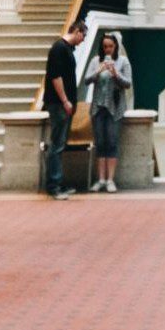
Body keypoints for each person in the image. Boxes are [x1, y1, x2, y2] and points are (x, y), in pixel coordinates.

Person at [81, 30, 132, 193]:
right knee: (100, 143)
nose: (107, 49)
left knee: (112, 142)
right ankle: (101, 179)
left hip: (114, 108)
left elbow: (127, 83)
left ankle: (110, 179)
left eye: (110, 46)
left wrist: (115, 73)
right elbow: (87, 80)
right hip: (98, 107)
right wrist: (98, 71)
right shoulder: (96, 61)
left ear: (115, 46)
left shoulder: (123, 61)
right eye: (105, 47)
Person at [43, 19, 86, 199]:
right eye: (83, 35)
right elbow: (56, 76)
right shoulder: (59, 48)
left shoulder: (66, 49)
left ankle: (58, 182)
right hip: (59, 104)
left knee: (60, 144)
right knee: (57, 144)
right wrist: (65, 100)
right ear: (76, 31)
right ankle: (54, 185)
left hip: (63, 104)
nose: (83, 39)